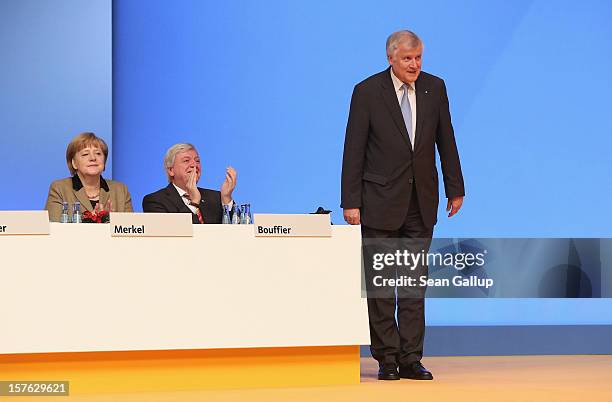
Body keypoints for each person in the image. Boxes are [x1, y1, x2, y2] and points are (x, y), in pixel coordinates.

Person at [341, 30, 465, 381]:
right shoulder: (367, 92)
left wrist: (456, 187)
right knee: (381, 286)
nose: (415, 65)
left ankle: (411, 358)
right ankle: (387, 359)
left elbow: (447, 139)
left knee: (413, 285)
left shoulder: (435, 88)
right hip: (378, 200)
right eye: (408, 59)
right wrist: (351, 201)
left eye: (419, 58)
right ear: (391, 58)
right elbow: (354, 149)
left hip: (421, 202)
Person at [45, 132, 133, 222]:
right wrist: (92, 220)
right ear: (74, 163)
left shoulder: (121, 190)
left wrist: (109, 220)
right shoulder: (59, 189)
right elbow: (53, 229)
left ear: (104, 161)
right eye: (85, 154)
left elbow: (132, 230)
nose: (93, 158)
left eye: (98, 153)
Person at [142, 143, 236, 223]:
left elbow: (238, 232)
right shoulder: (155, 201)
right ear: (171, 170)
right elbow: (172, 232)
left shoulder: (216, 197)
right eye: (186, 161)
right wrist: (194, 202)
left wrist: (226, 197)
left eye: (197, 161)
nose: (194, 165)